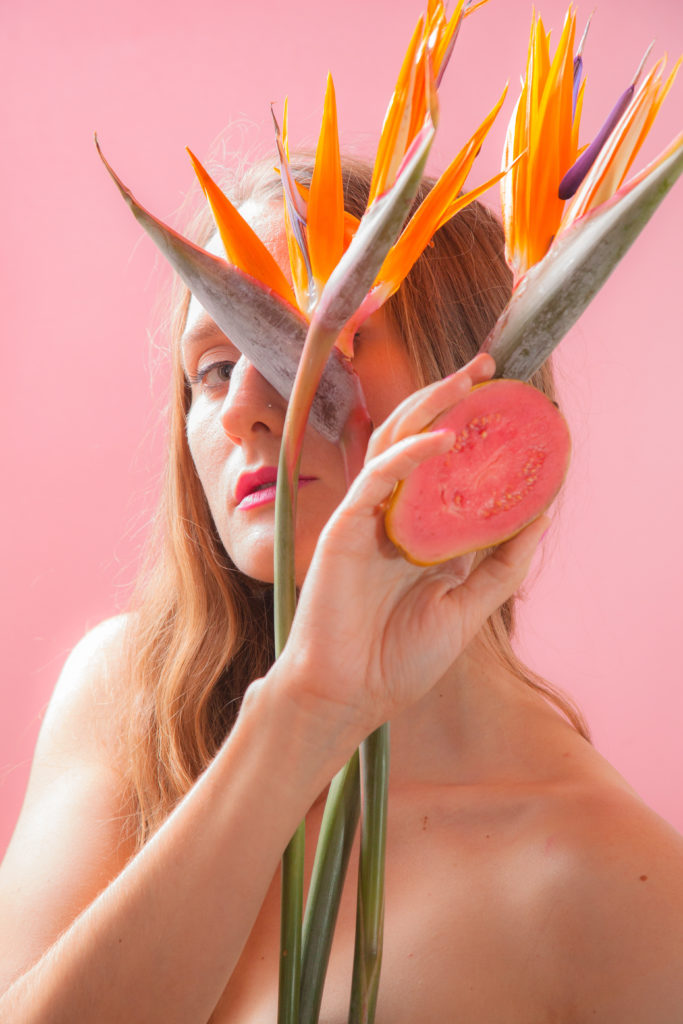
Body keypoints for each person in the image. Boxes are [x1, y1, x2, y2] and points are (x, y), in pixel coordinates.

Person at [1, 154, 682, 1024]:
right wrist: (304, 712)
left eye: (312, 338)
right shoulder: (132, 702)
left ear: (471, 385)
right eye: (211, 368)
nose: (245, 404)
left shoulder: (609, 879)